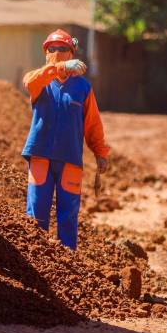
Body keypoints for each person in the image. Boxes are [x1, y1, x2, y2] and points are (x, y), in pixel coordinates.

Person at [21, 29, 109, 250]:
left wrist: (100, 153)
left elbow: (92, 124)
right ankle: (35, 260)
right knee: (35, 216)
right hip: (40, 156)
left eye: (63, 49)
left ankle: (68, 263)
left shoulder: (83, 88)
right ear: (46, 53)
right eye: (52, 49)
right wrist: (57, 69)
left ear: (72, 54)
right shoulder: (39, 81)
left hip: (70, 160)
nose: (57, 53)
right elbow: (29, 83)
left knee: (67, 218)